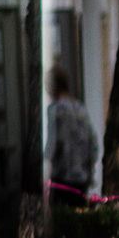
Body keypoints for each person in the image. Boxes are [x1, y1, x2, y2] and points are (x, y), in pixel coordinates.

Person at [45, 65, 96, 196]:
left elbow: (52, 144)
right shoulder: (80, 108)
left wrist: (44, 167)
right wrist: (89, 170)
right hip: (81, 177)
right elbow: (93, 142)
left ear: (54, 85)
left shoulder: (55, 110)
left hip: (62, 178)